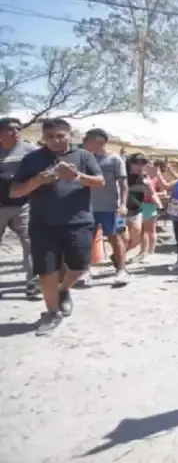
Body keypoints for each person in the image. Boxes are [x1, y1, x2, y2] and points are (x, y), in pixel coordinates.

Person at [10, 118, 104, 336]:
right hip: (42, 224)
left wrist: (77, 176)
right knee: (46, 272)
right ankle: (52, 312)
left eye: (60, 136)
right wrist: (37, 181)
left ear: (70, 135)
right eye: (50, 136)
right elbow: (15, 191)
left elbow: (100, 182)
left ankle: (62, 290)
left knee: (79, 266)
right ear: (43, 137)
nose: (55, 140)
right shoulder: (32, 159)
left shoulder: (83, 156)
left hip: (78, 221)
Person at [82, 128, 130, 286]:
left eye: (88, 138)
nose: (84, 141)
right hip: (88, 207)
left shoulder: (115, 159)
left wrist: (123, 204)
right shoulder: (87, 158)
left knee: (115, 238)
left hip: (110, 207)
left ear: (100, 140)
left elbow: (123, 184)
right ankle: (85, 270)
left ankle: (121, 270)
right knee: (87, 239)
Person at [0, 117, 38, 297]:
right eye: (10, 128)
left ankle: (33, 284)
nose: (16, 131)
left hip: (23, 205)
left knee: (31, 242)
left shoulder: (29, 150)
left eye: (18, 128)